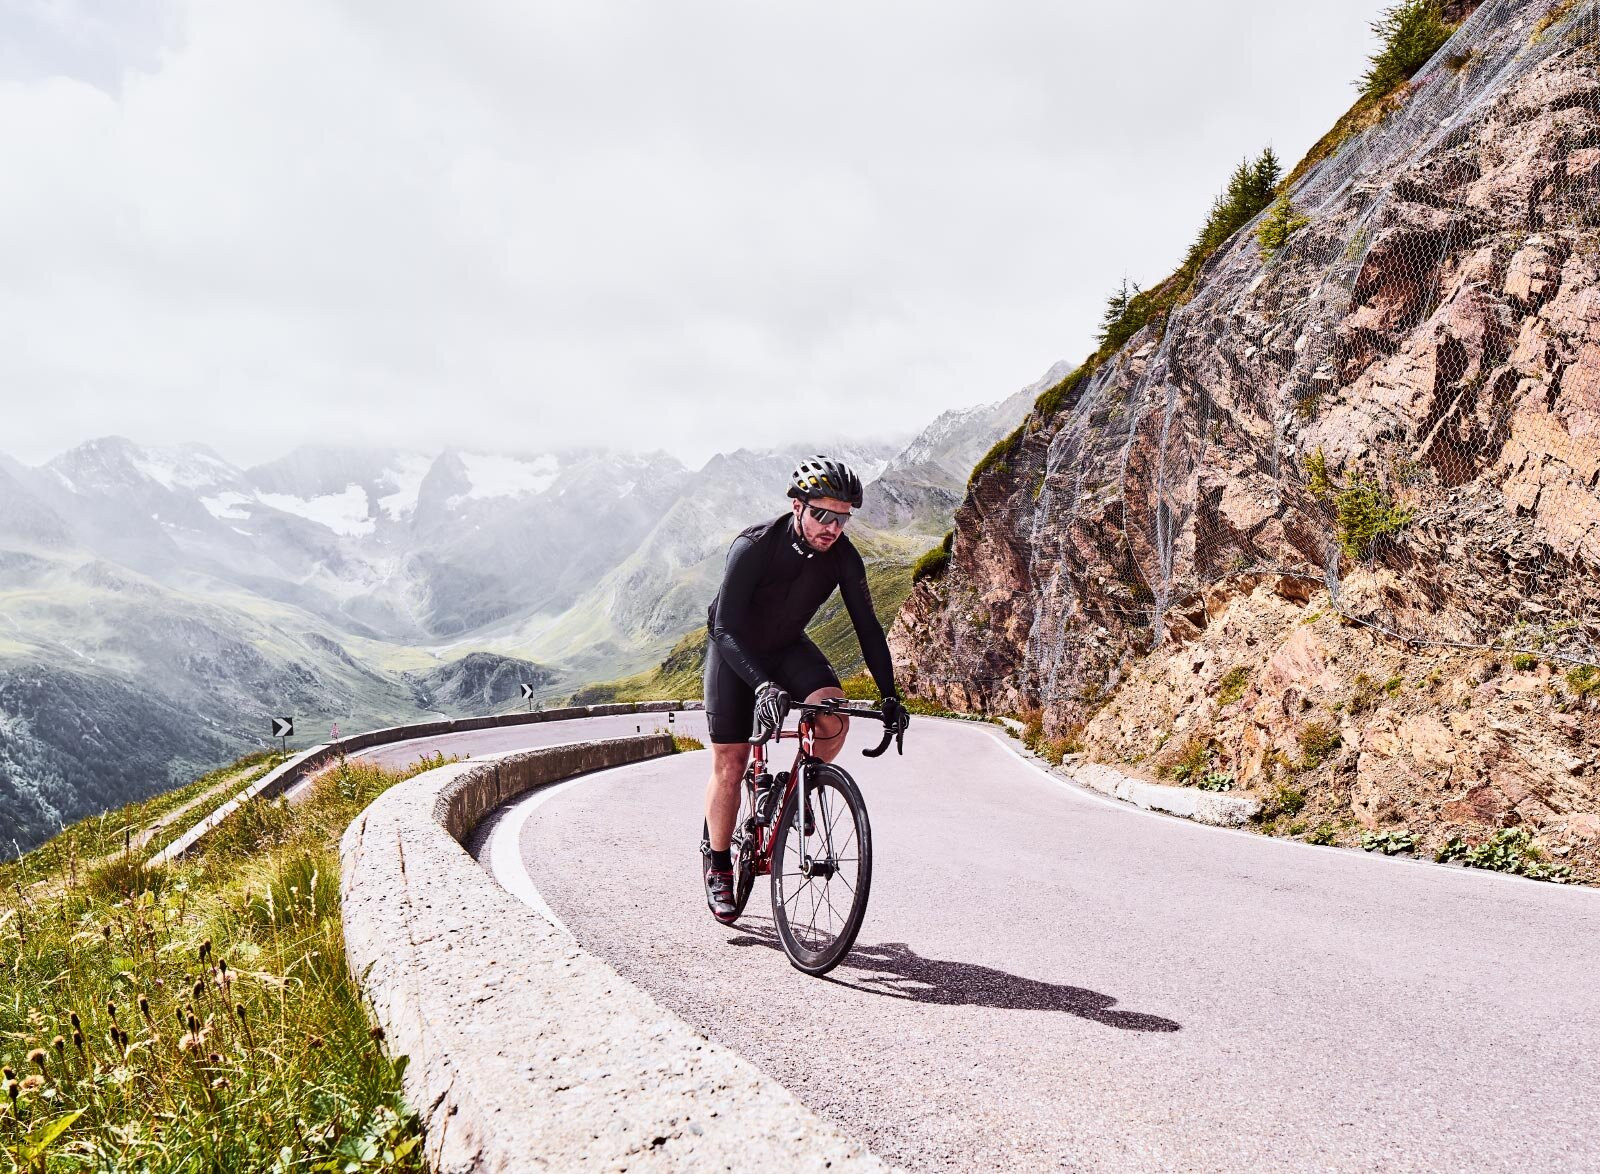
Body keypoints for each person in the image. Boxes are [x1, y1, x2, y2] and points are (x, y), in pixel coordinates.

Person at [701, 455, 910, 921]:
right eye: (822, 514)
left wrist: (890, 695)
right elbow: (726, 627)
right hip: (734, 651)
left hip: (787, 646)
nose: (832, 527)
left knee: (834, 715)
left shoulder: (843, 558)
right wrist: (761, 686)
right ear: (797, 506)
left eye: (842, 517)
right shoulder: (753, 546)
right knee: (731, 763)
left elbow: (869, 630)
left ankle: (796, 788)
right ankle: (718, 864)